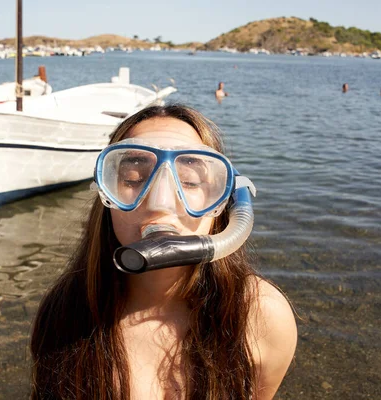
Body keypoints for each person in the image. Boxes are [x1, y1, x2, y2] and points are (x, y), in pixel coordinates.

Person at [30, 104, 297, 400]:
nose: (160, 203)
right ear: (106, 193)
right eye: (133, 178)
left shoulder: (260, 314)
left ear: (224, 202)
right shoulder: (67, 310)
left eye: (190, 181)